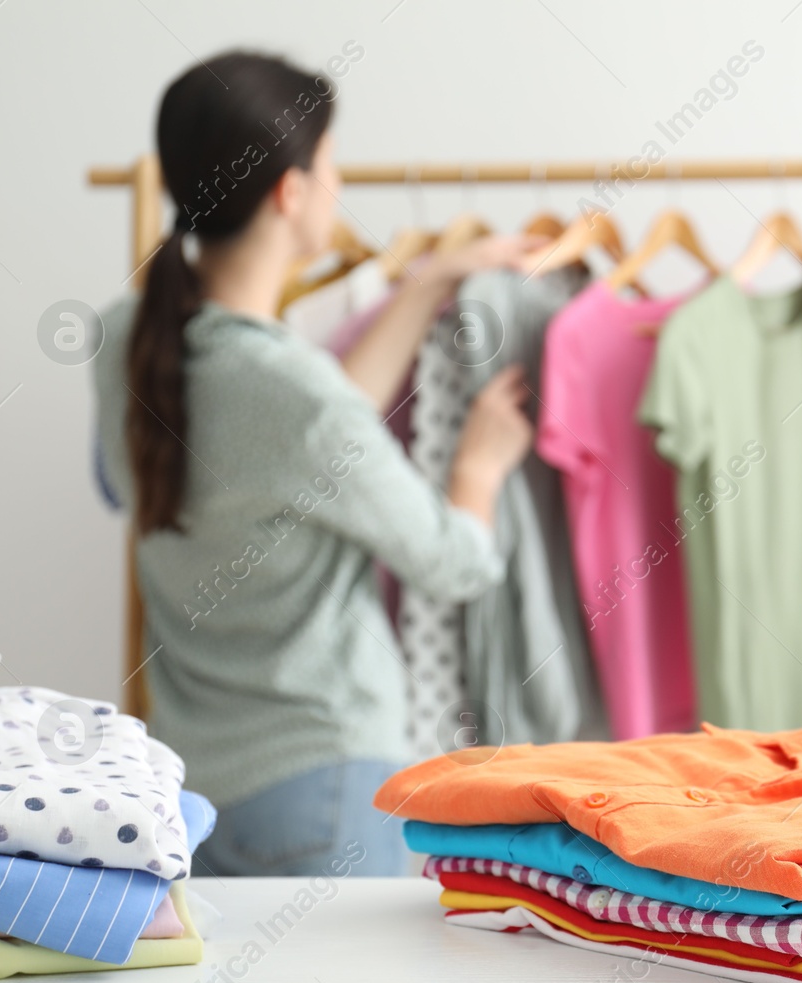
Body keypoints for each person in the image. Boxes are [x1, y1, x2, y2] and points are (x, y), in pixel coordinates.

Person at [92, 51, 537, 877]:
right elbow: (451, 561)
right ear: (290, 192)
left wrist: (424, 284)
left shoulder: (125, 340)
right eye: (331, 165)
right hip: (328, 784)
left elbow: (301, 440)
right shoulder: (292, 397)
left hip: (187, 792)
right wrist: (477, 469)